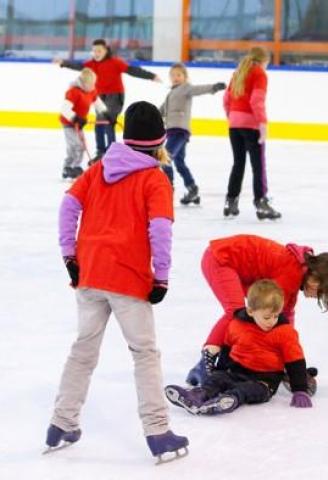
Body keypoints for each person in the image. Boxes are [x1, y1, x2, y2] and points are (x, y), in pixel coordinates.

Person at [47, 101, 188, 462]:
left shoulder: (99, 168)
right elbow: (160, 229)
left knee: (83, 350)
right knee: (144, 354)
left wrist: (69, 255)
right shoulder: (155, 178)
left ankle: (61, 423)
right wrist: (162, 276)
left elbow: (67, 207)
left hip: (90, 274)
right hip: (129, 280)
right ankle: (158, 432)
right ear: (160, 140)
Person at [185, 234, 328, 389]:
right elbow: (272, 315)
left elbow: (285, 318)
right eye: (321, 291)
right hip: (220, 259)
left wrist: (291, 361)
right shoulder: (292, 272)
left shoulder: (296, 272)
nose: (318, 296)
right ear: (315, 276)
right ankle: (204, 364)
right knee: (236, 314)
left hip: (227, 260)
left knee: (252, 316)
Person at [165, 280, 313, 415]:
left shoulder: (285, 332)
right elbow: (227, 350)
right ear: (250, 311)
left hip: (264, 382)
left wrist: (300, 390)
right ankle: (198, 395)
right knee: (217, 379)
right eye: (267, 317)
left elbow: (296, 362)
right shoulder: (237, 325)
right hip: (236, 373)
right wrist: (220, 371)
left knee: (246, 390)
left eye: (276, 316)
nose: (272, 321)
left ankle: (228, 400)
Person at [54, 38, 160, 162]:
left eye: (99, 50)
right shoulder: (90, 64)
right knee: (99, 123)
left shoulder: (115, 62)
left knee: (108, 122)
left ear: (106, 50)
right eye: (94, 51)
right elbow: (77, 66)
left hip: (115, 96)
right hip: (100, 97)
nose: (96, 53)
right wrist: (63, 63)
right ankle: (100, 152)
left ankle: (111, 152)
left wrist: (151, 76)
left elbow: (132, 70)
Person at [222, 46, 281, 220]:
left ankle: (230, 202)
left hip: (234, 125)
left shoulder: (239, 72)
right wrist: (262, 122)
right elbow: (256, 100)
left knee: (238, 164)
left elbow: (226, 99)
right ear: (264, 61)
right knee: (258, 166)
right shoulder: (259, 74)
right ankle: (261, 203)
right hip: (251, 126)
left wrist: (232, 116)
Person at [159, 63, 226, 204]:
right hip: (172, 131)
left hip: (180, 131)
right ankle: (192, 190)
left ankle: (167, 189)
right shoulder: (171, 93)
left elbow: (198, 90)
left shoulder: (186, 88)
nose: (175, 78)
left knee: (166, 158)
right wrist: (150, 116)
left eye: (178, 75)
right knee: (179, 162)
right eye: (172, 75)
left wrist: (213, 87)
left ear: (185, 76)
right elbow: (162, 110)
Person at [59, 68, 107, 179]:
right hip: (69, 123)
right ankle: (67, 167)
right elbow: (65, 109)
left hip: (79, 124)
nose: (92, 86)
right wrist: (76, 118)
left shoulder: (91, 90)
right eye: (90, 84)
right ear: (83, 82)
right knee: (75, 145)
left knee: (81, 146)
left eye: (93, 84)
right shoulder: (73, 92)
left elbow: (97, 102)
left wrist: (106, 113)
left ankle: (76, 166)